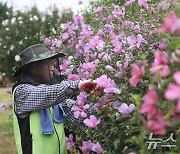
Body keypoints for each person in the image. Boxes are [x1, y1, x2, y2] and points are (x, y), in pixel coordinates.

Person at [12, 44, 96, 154]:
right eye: (48, 64)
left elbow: (76, 115)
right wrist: (78, 84)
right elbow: (46, 94)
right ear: (33, 68)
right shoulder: (22, 92)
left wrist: (102, 106)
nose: (53, 68)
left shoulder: (54, 98)